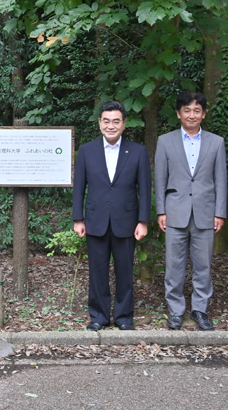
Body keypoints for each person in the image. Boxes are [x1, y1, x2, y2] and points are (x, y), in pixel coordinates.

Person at [72, 100, 151, 331]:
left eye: (116, 121)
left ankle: (124, 317)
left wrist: (143, 221)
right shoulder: (87, 150)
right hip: (95, 221)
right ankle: (98, 316)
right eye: (106, 121)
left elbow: (144, 189)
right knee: (97, 271)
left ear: (124, 124)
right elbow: (79, 187)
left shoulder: (137, 151)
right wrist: (78, 218)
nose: (111, 125)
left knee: (125, 271)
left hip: (126, 222)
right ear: (99, 123)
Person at [155, 91, 227, 331]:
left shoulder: (217, 142)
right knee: (174, 265)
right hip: (174, 212)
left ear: (203, 114)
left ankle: (200, 310)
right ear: (178, 114)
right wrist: (160, 211)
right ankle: (175, 311)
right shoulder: (165, 141)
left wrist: (220, 212)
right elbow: (160, 179)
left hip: (205, 213)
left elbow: (220, 180)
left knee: (203, 265)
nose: (192, 115)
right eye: (187, 110)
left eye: (197, 110)